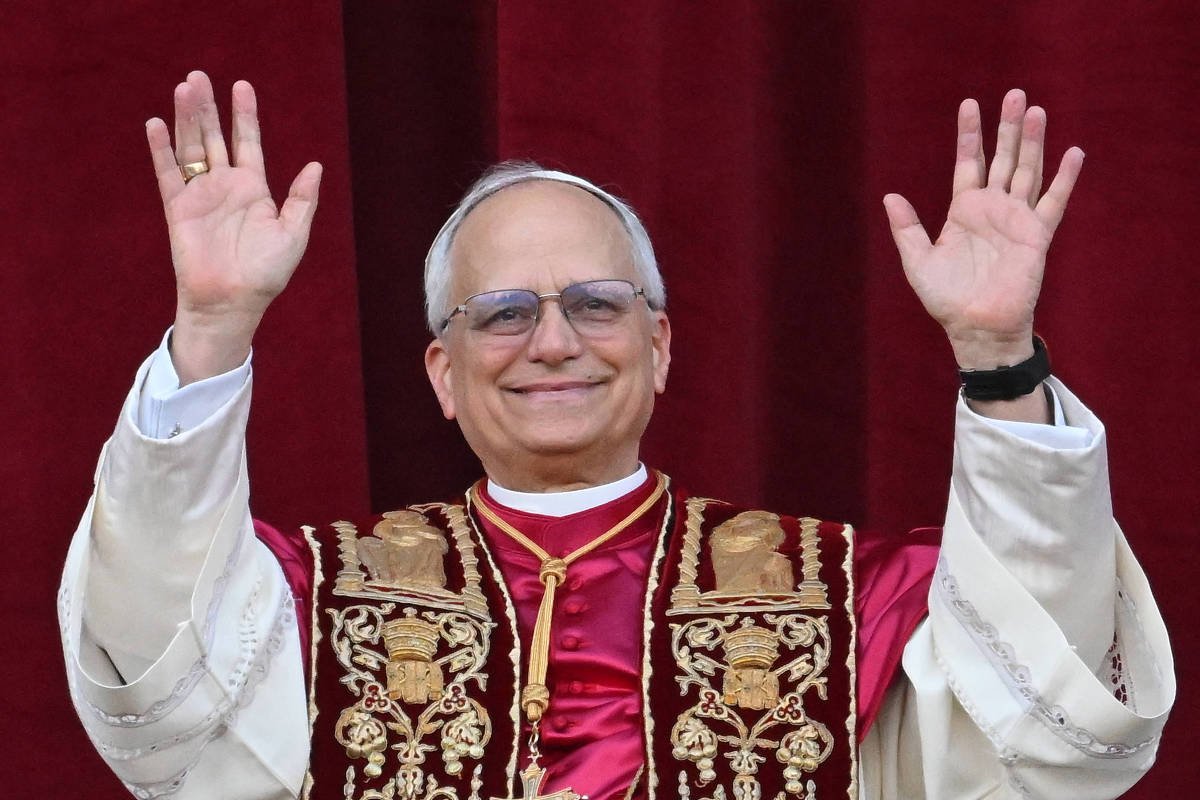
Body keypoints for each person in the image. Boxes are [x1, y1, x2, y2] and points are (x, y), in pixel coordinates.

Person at [58, 71, 1174, 800]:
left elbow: (1038, 712)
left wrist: (998, 355)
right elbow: (160, 674)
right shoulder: (314, 603)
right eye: (505, 313)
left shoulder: (850, 601)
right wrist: (212, 329)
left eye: (596, 303)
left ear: (661, 346)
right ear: (443, 374)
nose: (554, 342)